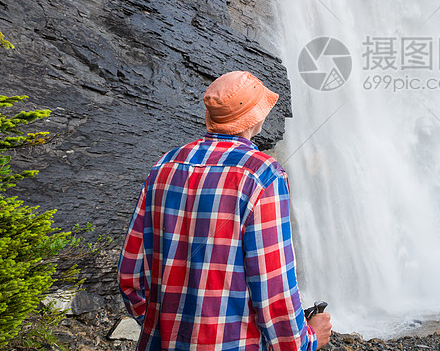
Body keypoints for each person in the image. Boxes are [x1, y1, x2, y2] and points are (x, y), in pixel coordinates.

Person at [118, 70, 332, 350]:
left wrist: (161, 325)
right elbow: (273, 288)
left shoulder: (163, 166)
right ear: (257, 118)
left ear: (210, 117)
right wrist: (307, 340)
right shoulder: (263, 175)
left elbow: (131, 274)